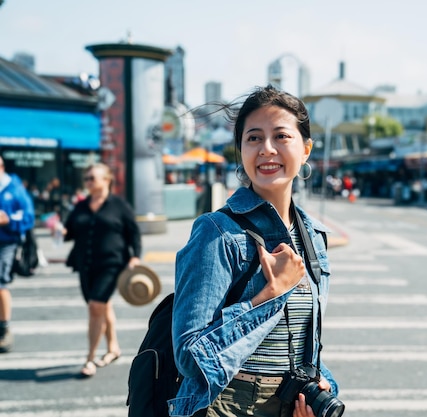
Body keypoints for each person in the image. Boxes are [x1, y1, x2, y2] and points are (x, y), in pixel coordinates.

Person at [170, 85, 340, 417]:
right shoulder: (217, 231)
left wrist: (321, 385)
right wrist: (272, 293)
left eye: (281, 136)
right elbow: (189, 356)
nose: (266, 149)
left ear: (305, 150)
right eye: (253, 138)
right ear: (241, 150)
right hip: (226, 405)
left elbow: (306, 345)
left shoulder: (314, 238)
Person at [63, 163, 142, 377]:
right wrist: (59, 230)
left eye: (92, 178)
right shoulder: (80, 206)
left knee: (95, 307)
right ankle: (113, 348)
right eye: (86, 178)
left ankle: (90, 358)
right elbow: (69, 232)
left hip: (112, 264)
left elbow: (133, 232)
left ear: (106, 180)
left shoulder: (118, 205)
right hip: (85, 265)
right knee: (102, 306)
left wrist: (135, 256)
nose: (88, 182)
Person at [0, 155, 35, 353]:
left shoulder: (15, 189)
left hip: (6, 242)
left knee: (0, 282)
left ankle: (4, 328)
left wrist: (8, 220)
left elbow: (28, 218)